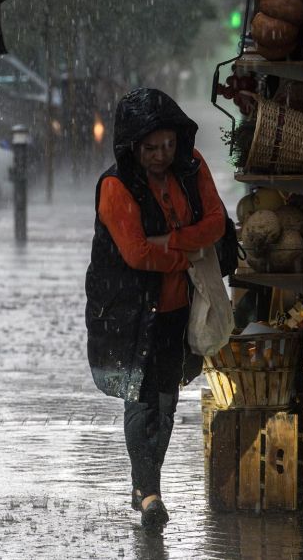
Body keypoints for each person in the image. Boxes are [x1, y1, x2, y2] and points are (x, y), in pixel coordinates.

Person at [84, 88, 225, 532]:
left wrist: (174, 241)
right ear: (131, 147)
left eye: (167, 145)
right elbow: (137, 253)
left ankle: (146, 485)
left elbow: (217, 223)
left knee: (165, 401)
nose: (161, 155)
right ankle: (150, 496)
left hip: (177, 309)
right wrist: (187, 254)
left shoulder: (193, 167)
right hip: (128, 312)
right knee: (140, 399)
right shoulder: (115, 186)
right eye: (150, 148)